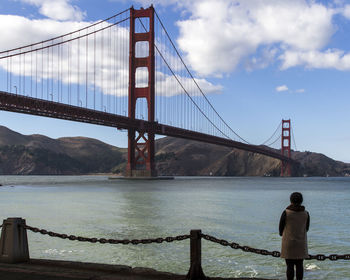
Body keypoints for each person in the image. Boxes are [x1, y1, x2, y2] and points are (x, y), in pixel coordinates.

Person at [279, 192, 310, 280]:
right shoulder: (306, 213)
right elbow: (306, 228)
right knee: (300, 265)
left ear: (290, 200)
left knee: (289, 266)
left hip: (288, 243)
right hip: (301, 243)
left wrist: (282, 234)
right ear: (301, 201)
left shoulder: (286, 212)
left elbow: (280, 229)